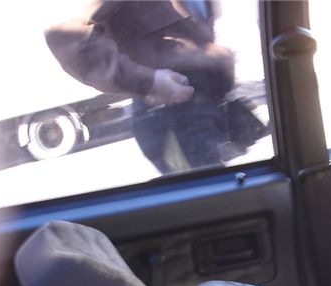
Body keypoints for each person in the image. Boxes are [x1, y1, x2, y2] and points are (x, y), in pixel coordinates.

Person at [45, 0, 235, 174]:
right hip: (173, 113)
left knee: (229, 190)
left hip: (207, 102)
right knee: (210, 194)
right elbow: (64, 34)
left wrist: (215, 59)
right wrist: (149, 82)